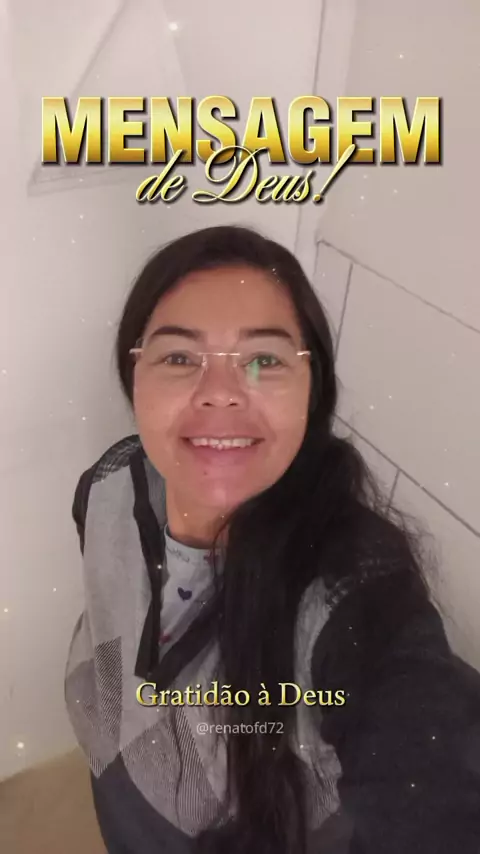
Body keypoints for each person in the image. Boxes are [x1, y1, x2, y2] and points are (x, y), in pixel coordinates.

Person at [65, 225, 480, 854]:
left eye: (265, 359)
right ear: (134, 377)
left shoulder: (354, 596)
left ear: (312, 392)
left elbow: (423, 777)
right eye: (179, 358)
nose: (221, 395)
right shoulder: (108, 485)